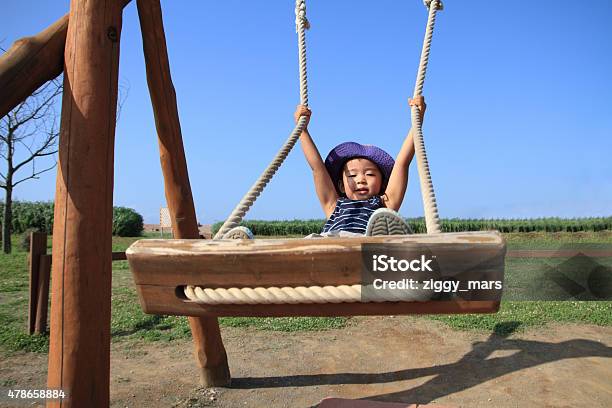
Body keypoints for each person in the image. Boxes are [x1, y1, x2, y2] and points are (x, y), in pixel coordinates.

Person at [222, 97, 426, 239]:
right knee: (310, 243)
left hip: (368, 246)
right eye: (352, 175)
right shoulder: (333, 205)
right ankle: (242, 248)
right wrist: (302, 130)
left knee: (383, 223)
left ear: (383, 182)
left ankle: (388, 245)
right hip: (333, 243)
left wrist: (417, 120)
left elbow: (402, 164)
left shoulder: (384, 204)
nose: (361, 179)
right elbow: (317, 168)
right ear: (340, 184)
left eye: (370, 174)